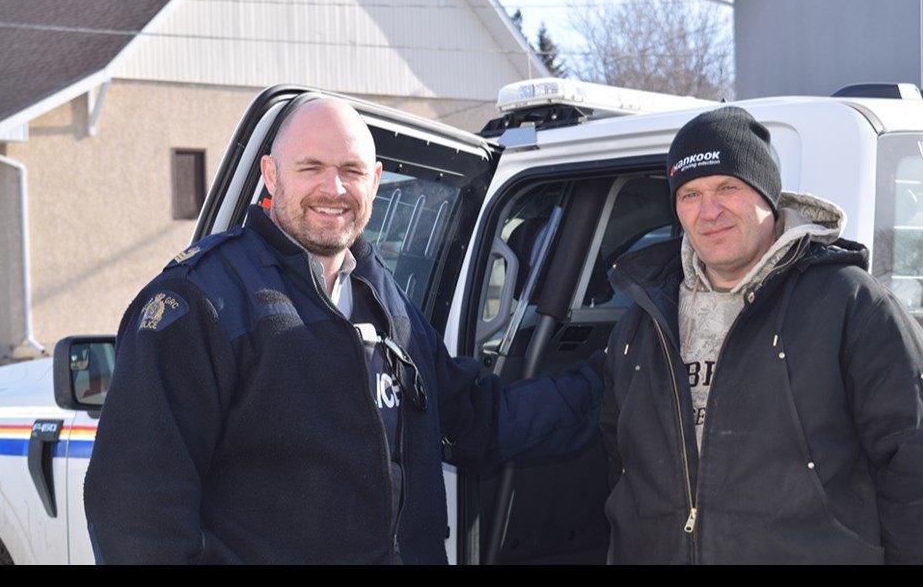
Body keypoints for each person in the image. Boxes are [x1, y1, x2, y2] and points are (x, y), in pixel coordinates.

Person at [83, 99, 602, 565]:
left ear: (374, 180)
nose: (333, 189)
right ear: (270, 174)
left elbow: (478, 421)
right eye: (311, 167)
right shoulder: (202, 302)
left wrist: (623, 375)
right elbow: (136, 507)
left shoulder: (386, 299)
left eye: (351, 170)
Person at [600, 105, 923, 564]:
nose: (709, 211)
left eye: (728, 187)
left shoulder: (849, 304)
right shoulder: (644, 320)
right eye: (690, 194)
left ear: (766, 194)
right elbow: (620, 464)